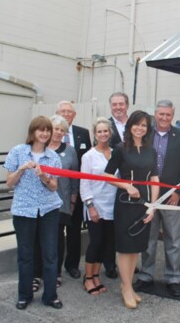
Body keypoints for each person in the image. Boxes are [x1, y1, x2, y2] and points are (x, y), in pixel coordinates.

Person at [133, 100, 180, 298]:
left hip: (171, 196)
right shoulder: (144, 133)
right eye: (161, 114)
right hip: (148, 196)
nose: (164, 118)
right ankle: (146, 275)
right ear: (155, 114)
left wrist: (178, 192)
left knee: (173, 239)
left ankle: (173, 278)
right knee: (148, 238)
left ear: (173, 114)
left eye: (168, 115)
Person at [4, 116, 63, 310]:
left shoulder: (53, 157)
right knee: (25, 254)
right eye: (41, 130)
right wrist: (21, 169)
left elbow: (54, 187)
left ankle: (50, 296)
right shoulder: (18, 152)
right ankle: (24, 295)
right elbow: (9, 183)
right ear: (33, 132)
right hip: (24, 210)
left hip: (48, 209)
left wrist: (44, 176)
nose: (45, 133)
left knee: (50, 254)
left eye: (48, 130)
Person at [104, 110, 159, 309]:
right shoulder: (120, 149)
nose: (140, 128)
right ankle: (126, 287)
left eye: (144, 125)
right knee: (125, 247)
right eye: (137, 124)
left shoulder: (151, 151)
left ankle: (128, 285)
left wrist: (153, 206)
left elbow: (154, 179)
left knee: (136, 246)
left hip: (144, 203)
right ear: (130, 127)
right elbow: (108, 175)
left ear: (148, 129)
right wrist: (126, 186)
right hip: (126, 203)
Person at [33, 115, 79, 291]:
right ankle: (36, 274)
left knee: (58, 240)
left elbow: (74, 178)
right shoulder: (39, 150)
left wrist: (73, 200)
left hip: (61, 203)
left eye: (62, 130)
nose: (59, 132)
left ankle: (55, 273)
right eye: (56, 129)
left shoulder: (70, 151)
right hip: (38, 202)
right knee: (37, 239)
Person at [79, 118, 117, 296]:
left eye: (105, 131)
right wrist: (90, 206)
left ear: (110, 133)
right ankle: (87, 278)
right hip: (96, 205)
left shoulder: (116, 153)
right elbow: (84, 184)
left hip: (112, 206)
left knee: (105, 244)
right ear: (95, 134)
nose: (103, 134)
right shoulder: (88, 156)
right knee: (95, 242)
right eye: (99, 131)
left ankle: (96, 275)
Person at [56, 101, 92, 280]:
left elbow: (88, 160)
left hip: (75, 189)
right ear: (56, 113)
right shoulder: (50, 132)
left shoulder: (83, 133)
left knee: (74, 230)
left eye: (69, 111)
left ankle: (72, 265)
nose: (66, 114)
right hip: (54, 190)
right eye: (63, 111)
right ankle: (54, 268)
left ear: (74, 115)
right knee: (55, 231)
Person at [105, 92, 129, 278]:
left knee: (128, 224)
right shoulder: (106, 126)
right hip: (112, 180)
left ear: (127, 105)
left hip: (133, 180)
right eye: (115, 104)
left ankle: (128, 262)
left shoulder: (136, 124)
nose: (118, 107)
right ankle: (110, 263)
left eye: (121, 104)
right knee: (111, 224)